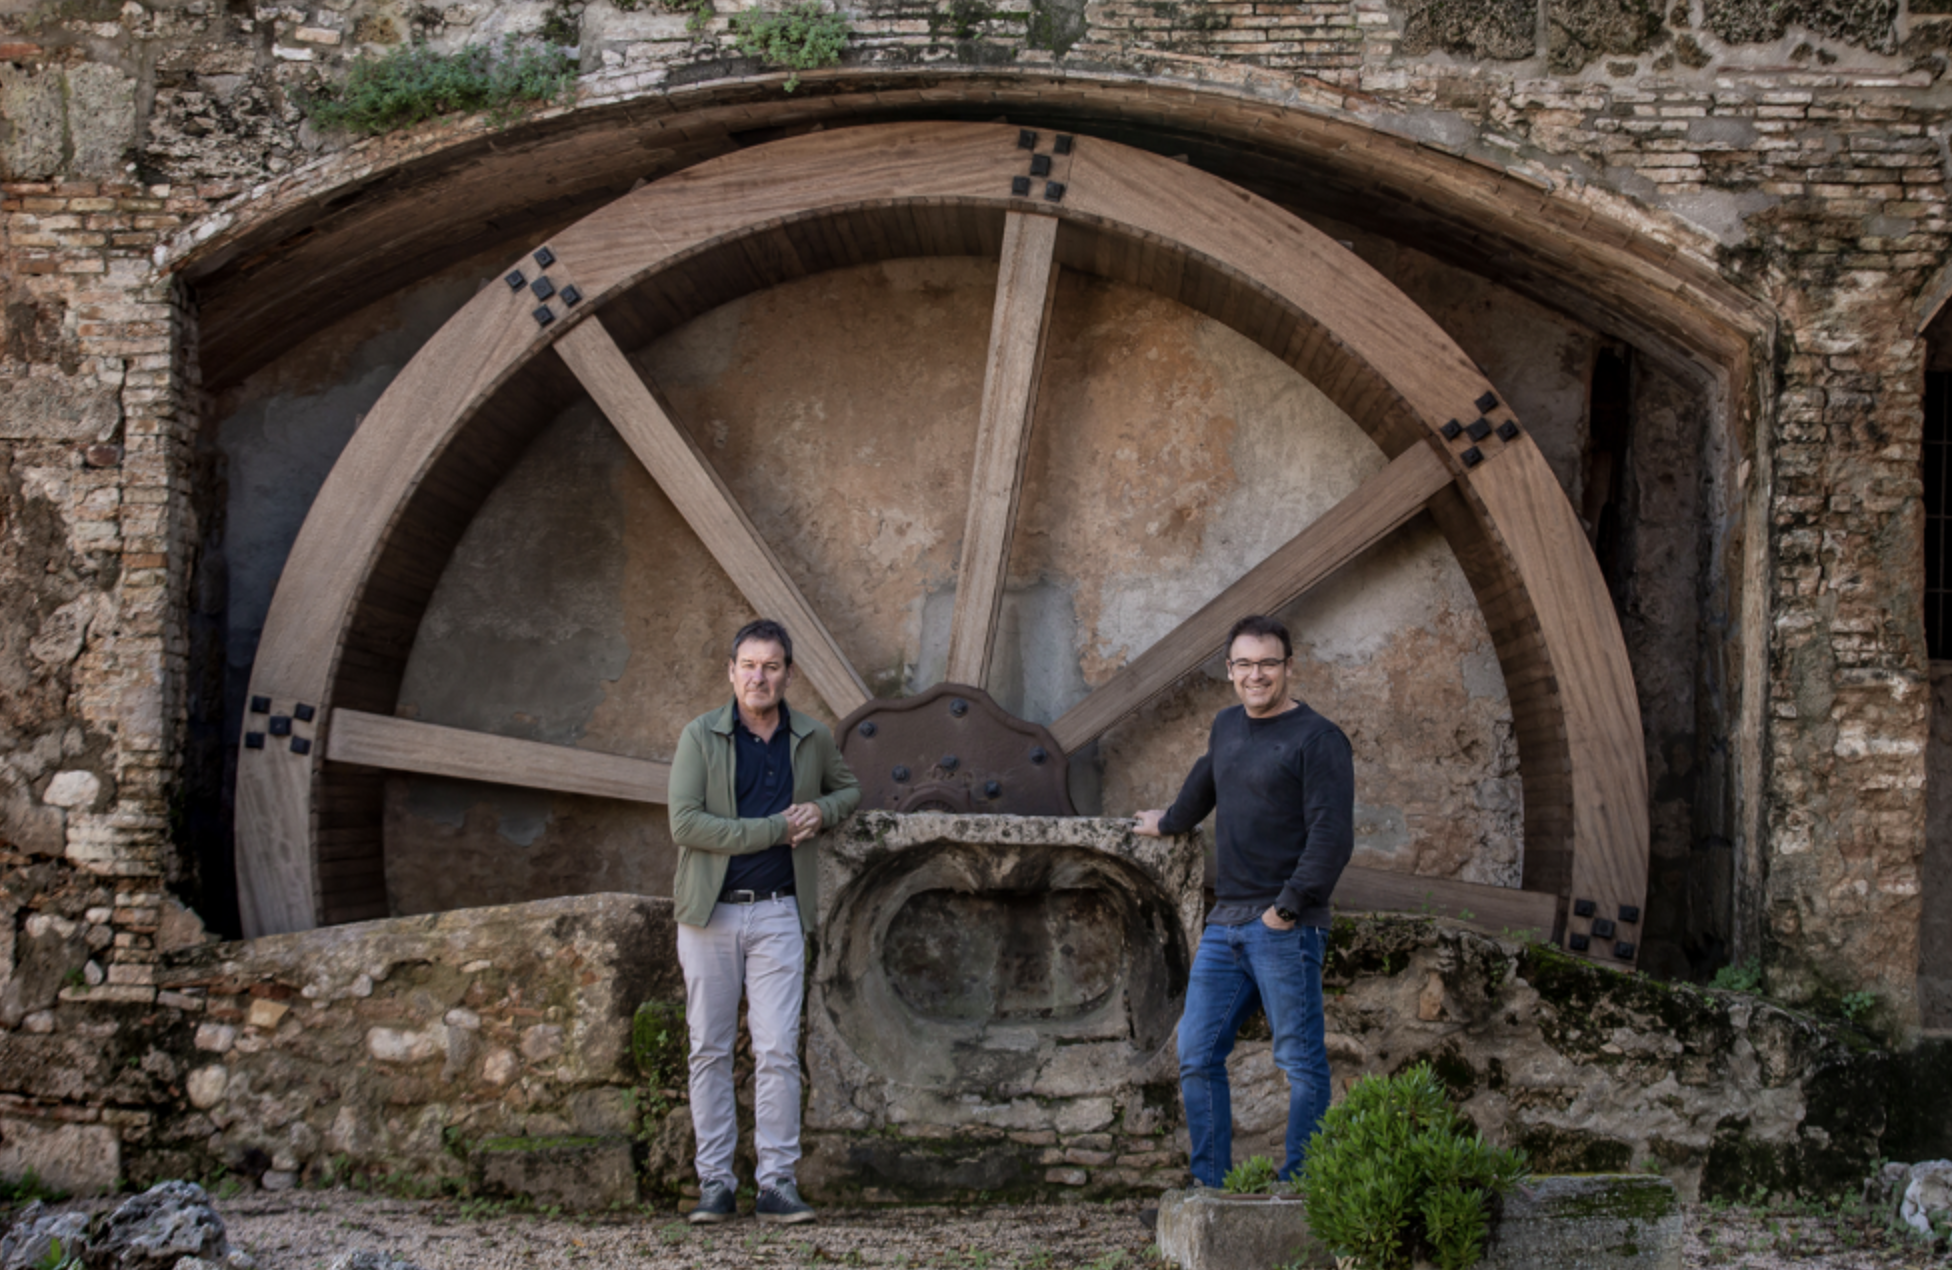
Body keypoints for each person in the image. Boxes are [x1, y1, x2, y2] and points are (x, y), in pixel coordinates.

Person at [1134, 613, 1353, 1188]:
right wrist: (1171, 821)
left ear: (1288, 667)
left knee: (1300, 1064)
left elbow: (1332, 837)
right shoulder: (1227, 725)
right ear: (1229, 669)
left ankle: (1298, 1189)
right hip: (1225, 923)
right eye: (1245, 664)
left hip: (1284, 926)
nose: (1256, 675)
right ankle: (1211, 1188)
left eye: (1268, 664)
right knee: (1197, 1054)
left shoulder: (1318, 739)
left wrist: (1286, 910)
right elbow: (1208, 780)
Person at [668, 618, 861, 1225]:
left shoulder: (811, 737)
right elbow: (687, 824)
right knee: (709, 1050)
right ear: (731, 672)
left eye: (771, 666)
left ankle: (776, 1182)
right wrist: (775, 829)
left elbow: (850, 790)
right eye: (749, 665)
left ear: (788, 674)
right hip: (709, 917)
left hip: (778, 912)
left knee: (778, 1052)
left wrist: (821, 811)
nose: (759, 676)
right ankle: (715, 1185)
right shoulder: (700, 737)